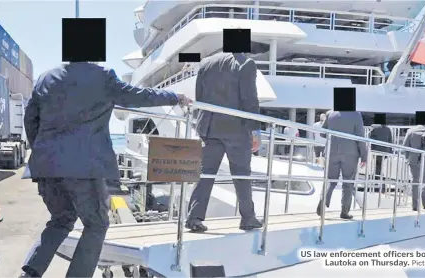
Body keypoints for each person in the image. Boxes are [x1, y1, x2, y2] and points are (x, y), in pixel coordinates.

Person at [21, 62, 191, 278]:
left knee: (60, 220)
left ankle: (30, 274)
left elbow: (30, 119)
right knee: (97, 224)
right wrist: (174, 97)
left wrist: (42, 153)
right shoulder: (102, 76)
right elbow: (138, 96)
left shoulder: (46, 77)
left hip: (46, 167)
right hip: (84, 167)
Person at [186, 52, 263, 233]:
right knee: (241, 174)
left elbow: (200, 96)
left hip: (209, 126)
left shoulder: (206, 63)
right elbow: (249, 99)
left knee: (205, 174)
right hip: (235, 129)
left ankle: (194, 217)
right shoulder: (246, 64)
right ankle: (248, 218)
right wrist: (255, 130)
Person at [317, 111, 368, 219]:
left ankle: (323, 201)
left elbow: (322, 133)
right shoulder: (356, 114)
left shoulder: (330, 113)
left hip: (332, 151)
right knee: (348, 182)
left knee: (331, 180)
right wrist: (364, 155)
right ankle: (344, 212)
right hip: (350, 153)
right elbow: (360, 136)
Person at [369, 121, 393, 192]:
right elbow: (390, 141)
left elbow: (371, 139)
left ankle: (378, 185)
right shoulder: (388, 129)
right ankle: (380, 185)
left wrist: (372, 149)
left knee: (378, 167)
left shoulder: (374, 128)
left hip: (377, 151)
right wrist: (390, 151)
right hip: (385, 151)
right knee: (380, 167)